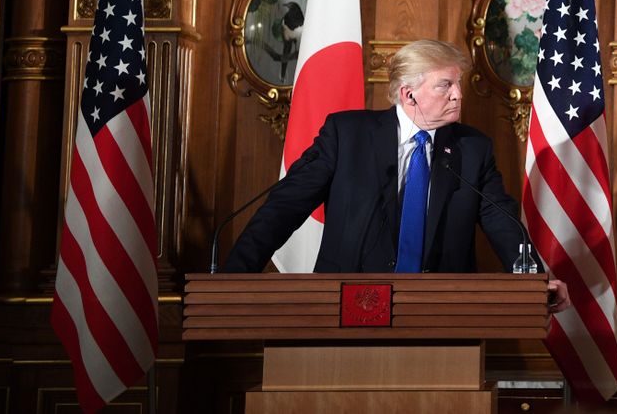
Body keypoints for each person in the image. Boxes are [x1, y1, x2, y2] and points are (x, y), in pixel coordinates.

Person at [224, 38, 569, 311]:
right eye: (445, 85)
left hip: (441, 311)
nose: (459, 94)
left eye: (458, 83)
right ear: (408, 94)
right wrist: (234, 278)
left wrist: (535, 280)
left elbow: (500, 218)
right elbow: (285, 207)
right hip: (345, 305)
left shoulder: (472, 148)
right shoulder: (347, 136)